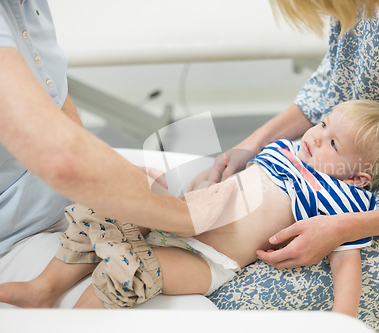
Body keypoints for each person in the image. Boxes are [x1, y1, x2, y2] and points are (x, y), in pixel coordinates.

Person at [197, 0, 379, 325]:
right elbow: (330, 86)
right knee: (198, 281)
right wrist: (252, 143)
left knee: (226, 306)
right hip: (331, 172)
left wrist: (344, 228)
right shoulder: (360, 6)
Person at [0, 100, 379, 316]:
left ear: (359, 177)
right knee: (105, 204)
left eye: (334, 144)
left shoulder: (342, 197)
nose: (317, 138)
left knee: (125, 271)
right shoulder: (284, 150)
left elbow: (346, 260)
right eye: (323, 125)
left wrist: (342, 318)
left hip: (207, 258)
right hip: (180, 216)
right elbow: (224, 185)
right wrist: (192, 186)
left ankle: (70, 325)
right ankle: (44, 287)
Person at [0, 0, 229, 293]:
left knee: (157, 183)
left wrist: (126, 182)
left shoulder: (30, 7)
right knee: (159, 297)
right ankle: (43, 288)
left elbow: (55, 100)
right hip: (16, 232)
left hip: (61, 200)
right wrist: (187, 219)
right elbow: (62, 160)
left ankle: (46, 287)